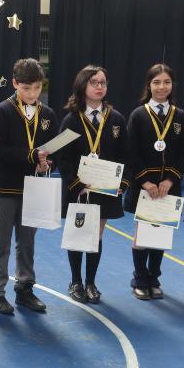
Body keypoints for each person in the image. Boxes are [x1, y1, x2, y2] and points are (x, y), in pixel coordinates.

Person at [0, 58, 58, 315]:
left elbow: (53, 150)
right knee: (1, 243)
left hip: (34, 188)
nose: (32, 94)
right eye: (26, 88)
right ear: (15, 83)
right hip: (4, 188)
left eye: (37, 88)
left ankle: (25, 288)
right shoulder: (2, 111)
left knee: (27, 243)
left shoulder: (48, 115)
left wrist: (47, 164)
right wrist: (30, 156)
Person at [58, 65, 128, 304]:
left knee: (96, 235)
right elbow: (62, 156)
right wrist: (76, 183)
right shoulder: (71, 119)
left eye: (103, 83)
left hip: (105, 189)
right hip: (79, 190)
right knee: (78, 234)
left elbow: (125, 154)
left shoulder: (116, 119)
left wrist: (122, 182)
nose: (99, 87)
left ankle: (90, 282)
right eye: (94, 82)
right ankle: (75, 281)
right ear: (82, 86)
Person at [123, 64, 184, 300]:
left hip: (167, 188)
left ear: (173, 85)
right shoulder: (138, 115)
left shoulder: (180, 116)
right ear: (149, 85)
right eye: (157, 82)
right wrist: (145, 181)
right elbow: (131, 152)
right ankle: (140, 278)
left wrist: (171, 179)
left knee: (161, 235)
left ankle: (154, 278)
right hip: (145, 188)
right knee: (142, 234)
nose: (162, 87)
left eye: (167, 82)